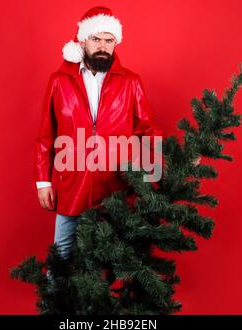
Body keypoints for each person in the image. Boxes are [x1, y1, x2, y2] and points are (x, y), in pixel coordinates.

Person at [35, 6, 164, 265]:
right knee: (62, 257)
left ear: (116, 42)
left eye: (109, 40)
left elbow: (147, 128)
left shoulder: (130, 82)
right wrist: (43, 182)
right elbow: (46, 134)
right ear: (83, 40)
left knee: (115, 262)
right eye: (96, 39)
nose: (102, 46)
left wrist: (168, 158)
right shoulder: (59, 81)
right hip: (72, 183)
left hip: (115, 186)